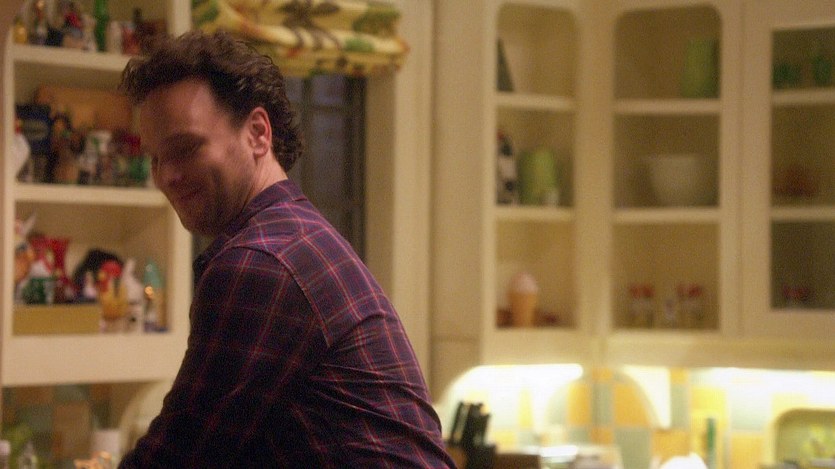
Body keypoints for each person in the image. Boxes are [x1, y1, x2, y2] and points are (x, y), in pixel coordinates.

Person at [118, 30, 455, 468]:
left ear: (258, 133)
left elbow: (178, 458)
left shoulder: (260, 263)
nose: (167, 176)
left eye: (185, 149)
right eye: (156, 158)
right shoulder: (294, 234)